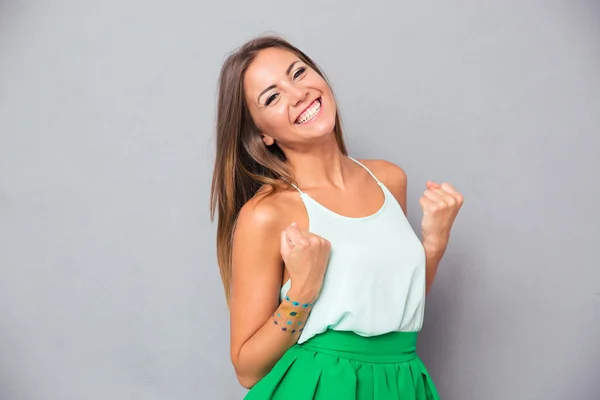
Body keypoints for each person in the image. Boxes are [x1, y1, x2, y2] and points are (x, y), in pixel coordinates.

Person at [210, 34, 463, 399]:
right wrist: (302, 292)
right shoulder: (267, 214)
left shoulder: (390, 179)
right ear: (261, 134)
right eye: (272, 96)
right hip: (321, 386)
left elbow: (387, 306)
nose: (297, 93)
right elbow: (247, 371)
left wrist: (435, 245)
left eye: (298, 73)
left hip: (403, 381)